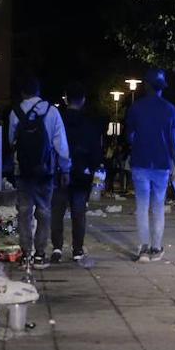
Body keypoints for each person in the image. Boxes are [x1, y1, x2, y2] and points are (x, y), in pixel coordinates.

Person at [9, 74, 69, 269]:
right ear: (38, 91)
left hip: (23, 171)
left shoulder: (15, 112)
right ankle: (40, 255)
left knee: (24, 212)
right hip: (45, 171)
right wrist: (65, 168)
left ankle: (25, 253)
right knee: (44, 211)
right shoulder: (52, 112)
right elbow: (61, 144)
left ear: (23, 92)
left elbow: (11, 141)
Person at [124, 68, 175, 262]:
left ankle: (143, 248)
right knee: (158, 206)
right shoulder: (171, 110)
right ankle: (156, 248)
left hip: (140, 162)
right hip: (162, 164)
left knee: (142, 206)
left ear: (146, 86)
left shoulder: (136, 108)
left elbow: (130, 136)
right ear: (162, 87)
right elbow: (174, 143)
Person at [51, 82, 102, 262]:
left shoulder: (59, 119)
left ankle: (57, 247)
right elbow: (96, 149)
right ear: (83, 100)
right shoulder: (89, 123)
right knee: (79, 212)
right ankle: (77, 249)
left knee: (56, 211)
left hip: (59, 172)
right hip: (82, 173)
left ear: (66, 99)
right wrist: (93, 167)